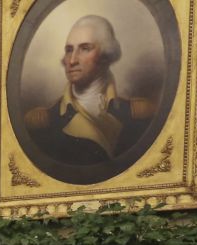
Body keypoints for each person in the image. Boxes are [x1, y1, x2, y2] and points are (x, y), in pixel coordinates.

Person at [22, 14, 156, 176]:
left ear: (106, 55)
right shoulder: (43, 122)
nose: (71, 60)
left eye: (85, 49)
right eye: (69, 50)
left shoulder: (140, 114)